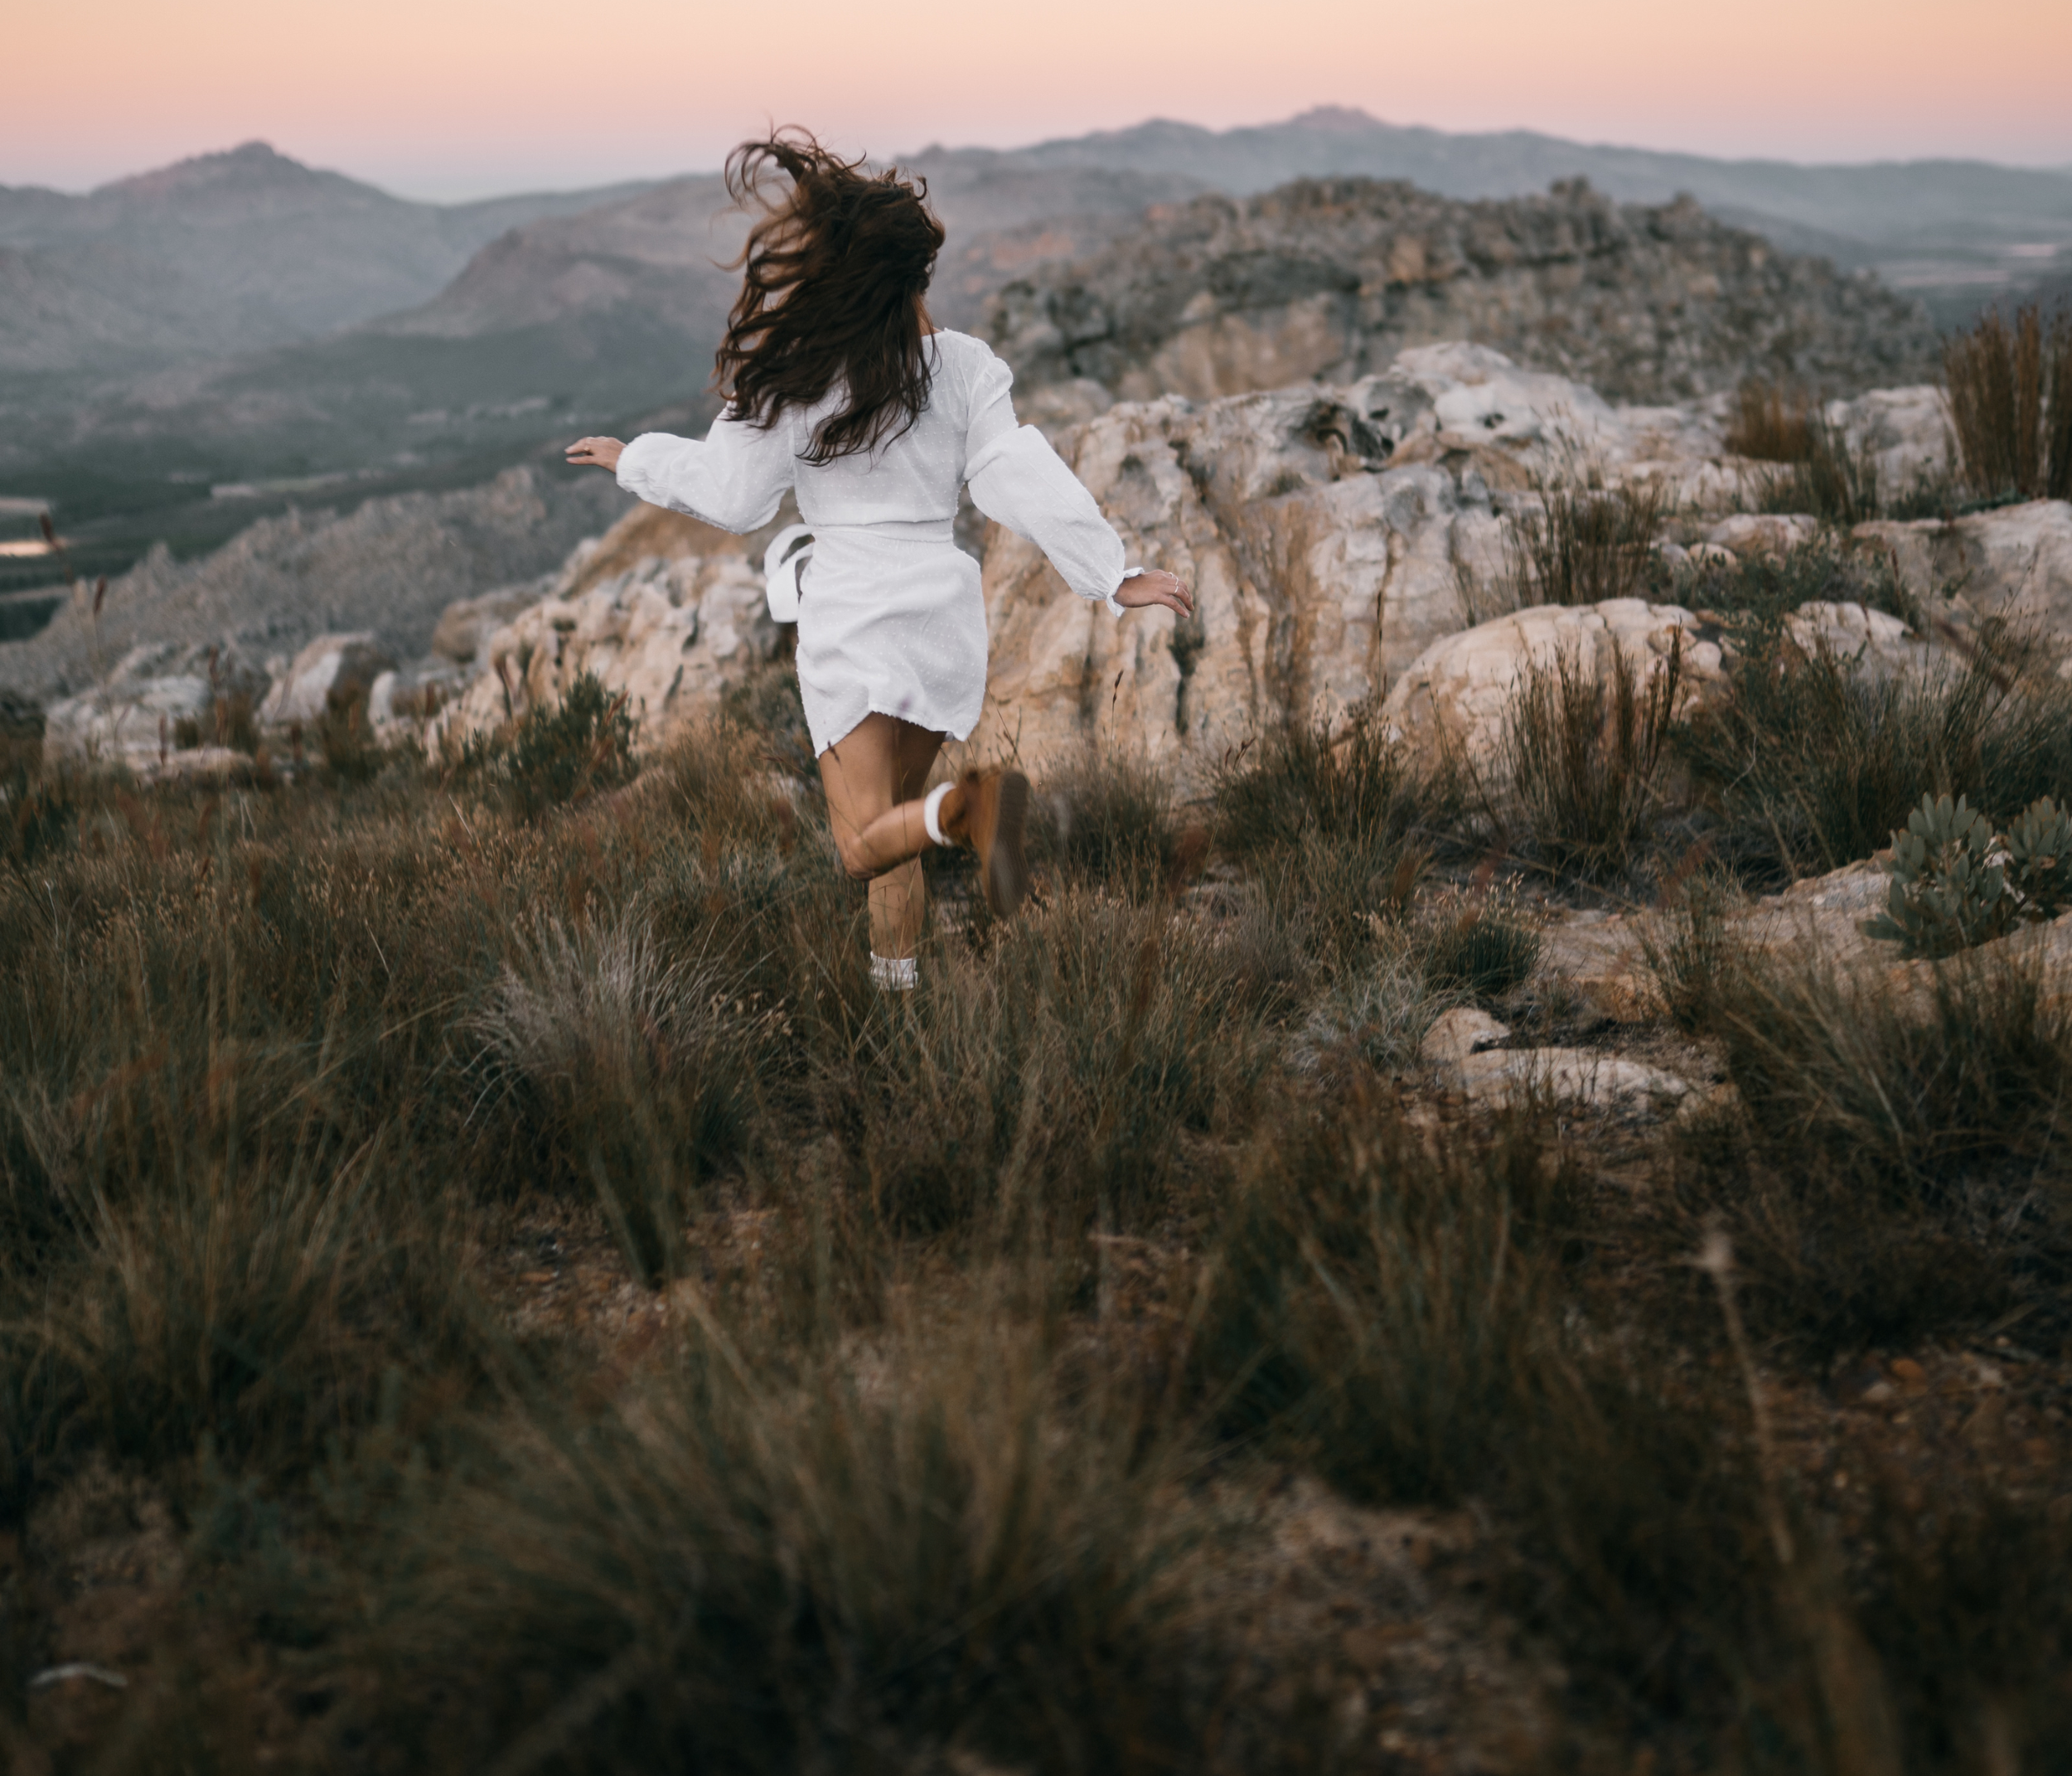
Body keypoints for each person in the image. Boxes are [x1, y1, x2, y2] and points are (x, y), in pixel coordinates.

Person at [567, 131, 1192, 991]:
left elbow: (734, 495)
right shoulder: (966, 367)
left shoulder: (803, 375)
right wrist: (1110, 573)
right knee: (896, 831)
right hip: (939, 613)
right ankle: (900, 1010)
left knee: (862, 849)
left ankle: (970, 809)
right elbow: (1014, 471)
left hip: (855, 619)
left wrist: (631, 458)